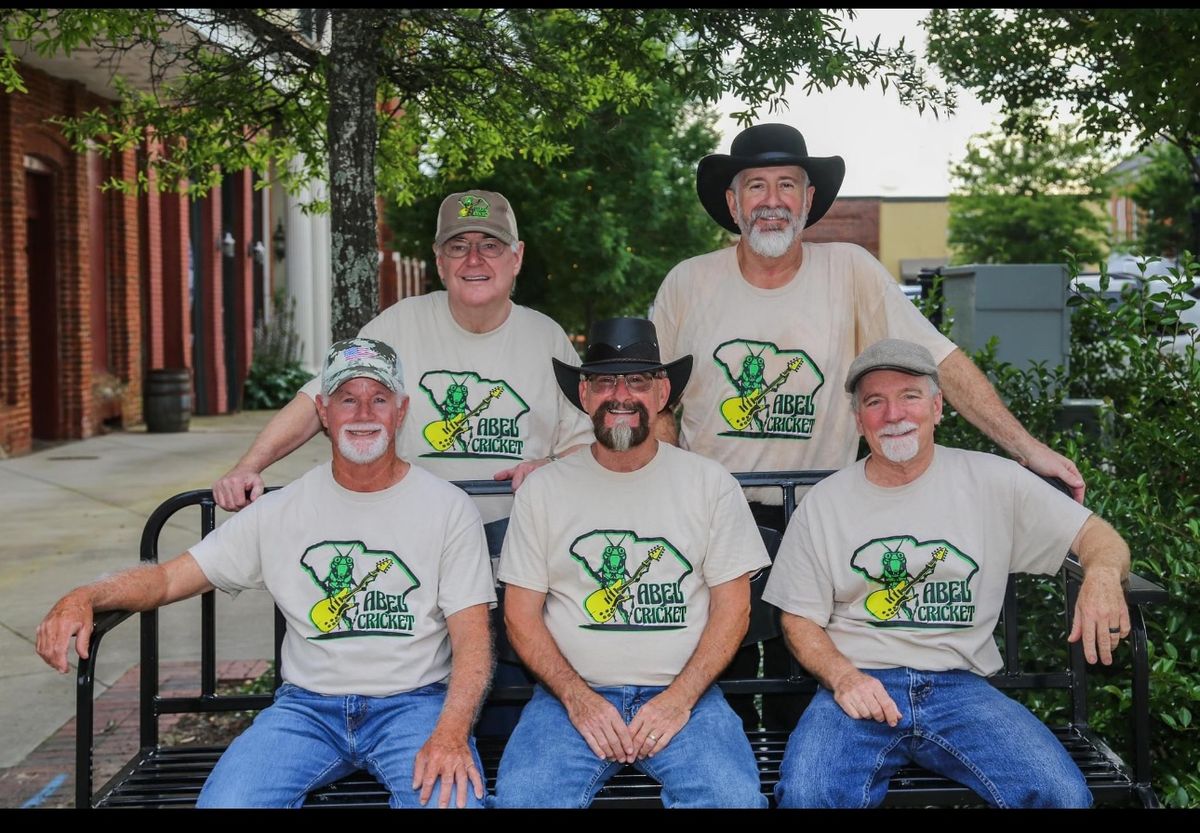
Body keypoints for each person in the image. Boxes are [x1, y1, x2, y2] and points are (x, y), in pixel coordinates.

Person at [650, 122, 1087, 728]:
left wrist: (1026, 446)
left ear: (807, 200)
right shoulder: (687, 283)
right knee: (702, 693)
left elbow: (937, 360)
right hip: (713, 523)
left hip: (816, 518)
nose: (771, 200)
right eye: (755, 185)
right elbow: (656, 402)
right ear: (732, 202)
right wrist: (653, 488)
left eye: (787, 185)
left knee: (798, 701)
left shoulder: (849, 270)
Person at [37, 338, 498, 808]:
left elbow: (473, 641)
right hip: (307, 710)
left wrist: (451, 732)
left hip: (414, 706)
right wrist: (86, 595)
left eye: (379, 398)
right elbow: (169, 578)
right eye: (347, 398)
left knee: (452, 804)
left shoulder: (446, 509)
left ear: (400, 411)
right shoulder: (280, 510)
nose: (363, 412)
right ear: (323, 411)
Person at [763, 338, 1130, 808]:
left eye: (910, 396)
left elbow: (1099, 536)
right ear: (859, 419)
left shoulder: (994, 481)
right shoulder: (825, 503)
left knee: (1061, 794)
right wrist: (843, 677)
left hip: (962, 690)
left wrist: (1100, 575)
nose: (893, 413)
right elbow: (797, 618)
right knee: (809, 796)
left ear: (937, 407)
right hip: (859, 689)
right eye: (875, 402)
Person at [492, 318, 771, 809]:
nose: (620, 395)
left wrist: (678, 699)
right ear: (584, 394)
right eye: (604, 381)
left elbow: (734, 611)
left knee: (730, 799)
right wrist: (578, 700)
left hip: (686, 696)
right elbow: (519, 615)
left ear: (662, 392)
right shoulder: (545, 490)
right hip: (569, 698)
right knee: (524, 800)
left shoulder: (709, 484)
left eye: (638, 381)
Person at [215, 189, 591, 522]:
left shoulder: (547, 338)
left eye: (490, 245)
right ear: (440, 261)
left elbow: (586, 441)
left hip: (519, 547)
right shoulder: (397, 327)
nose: (474, 260)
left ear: (517, 256)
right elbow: (321, 397)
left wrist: (550, 466)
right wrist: (247, 467)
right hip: (418, 544)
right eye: (458, 247)